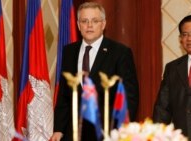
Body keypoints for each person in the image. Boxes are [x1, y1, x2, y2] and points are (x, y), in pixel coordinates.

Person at [51, 2, 139, 141]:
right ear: (78, 25)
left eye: (95, 21)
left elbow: (129, 97)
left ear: (103, 24)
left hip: (107, 132)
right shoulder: (69, 51)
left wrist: (120, 130)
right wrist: (58, 129)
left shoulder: (120, 53)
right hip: (73, 132)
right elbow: (64, 95)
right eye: (84, 21)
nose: (89, 25)